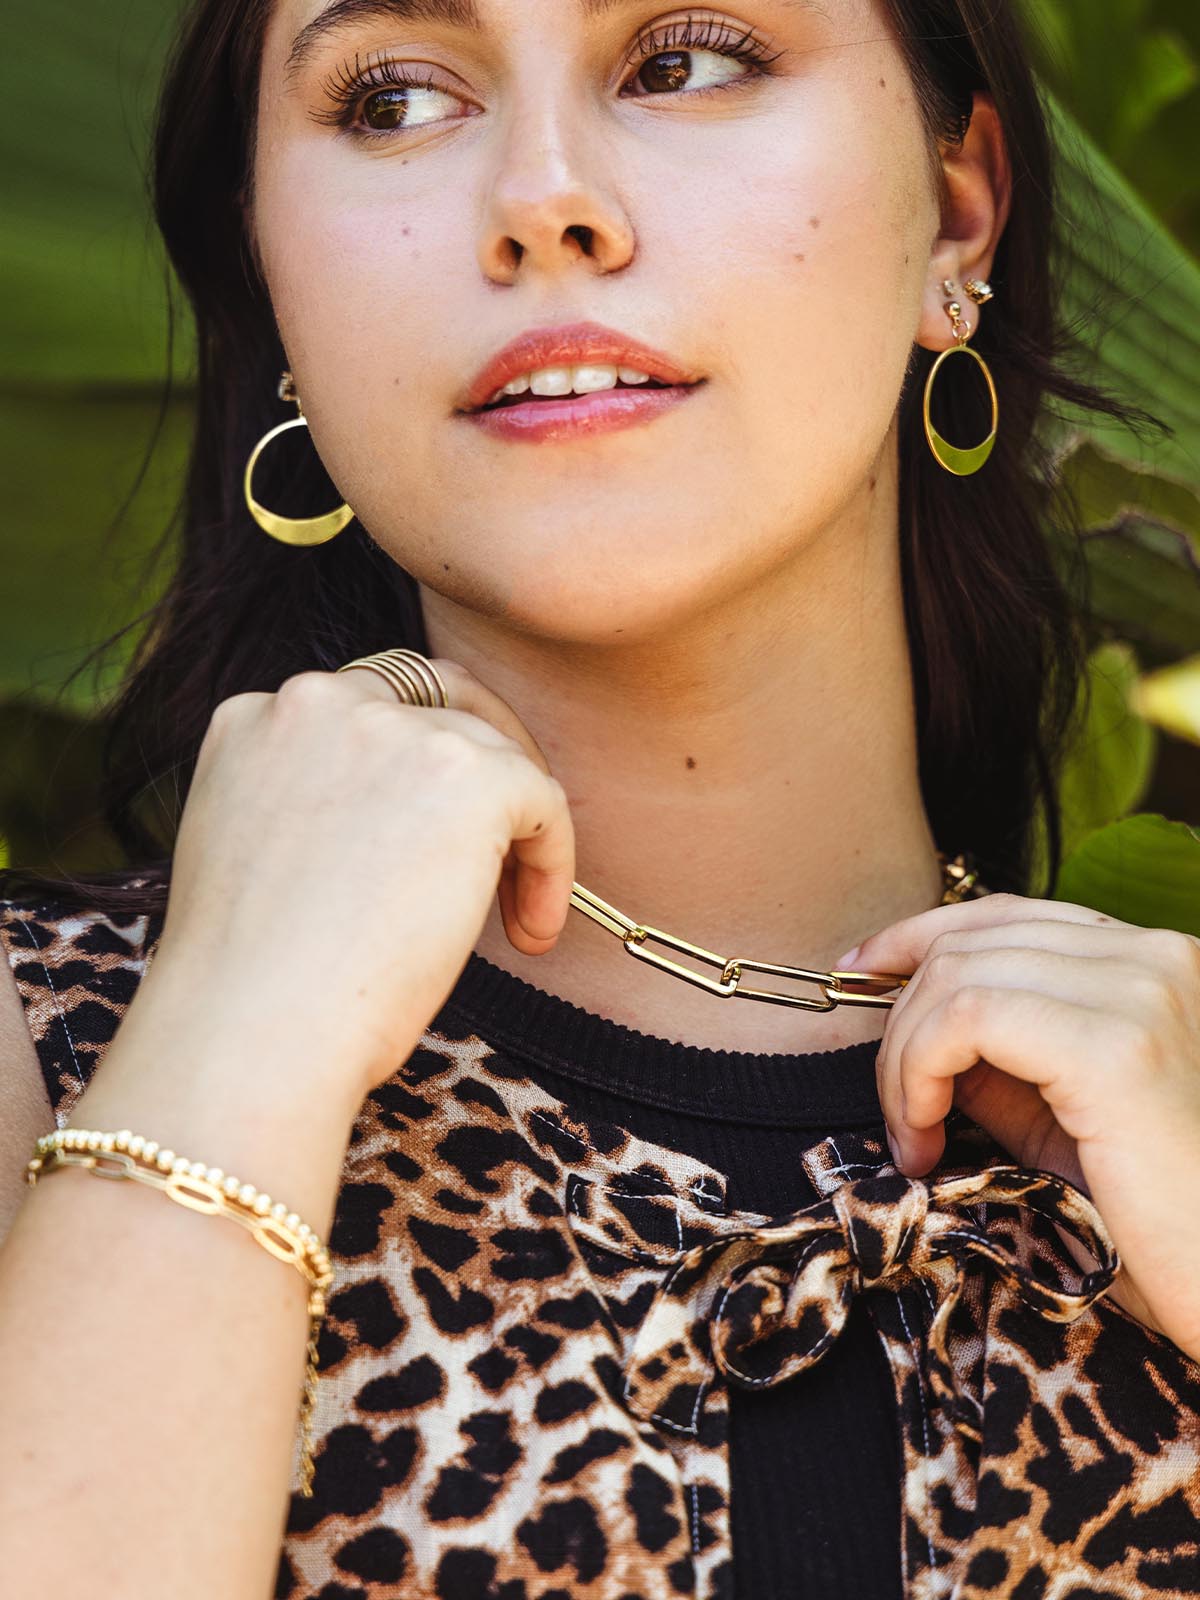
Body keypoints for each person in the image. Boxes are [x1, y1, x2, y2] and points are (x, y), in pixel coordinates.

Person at [1, 0, 1198, 1595]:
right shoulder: (52, 1056)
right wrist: (226, 1051)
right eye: (393, 99)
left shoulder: (1161, 1114)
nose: (541, 200)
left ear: (958, 209)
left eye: (688, 59)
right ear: (273, 279)